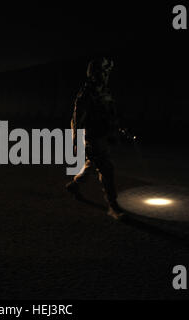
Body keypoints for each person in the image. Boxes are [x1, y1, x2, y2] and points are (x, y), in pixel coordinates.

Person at [66, 57, 125, 220]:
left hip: (102, 134)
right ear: (95, 73)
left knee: (92, 164)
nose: (106, 75)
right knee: (106, 168)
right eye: (104, 72)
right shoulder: (86, 93)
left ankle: (74, 185)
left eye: (107, 72)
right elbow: (77, 118)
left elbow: (110, 112)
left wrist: (116, 129)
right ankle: (113, 205)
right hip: (91, 137)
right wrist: (77, 141)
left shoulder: (104, 91)